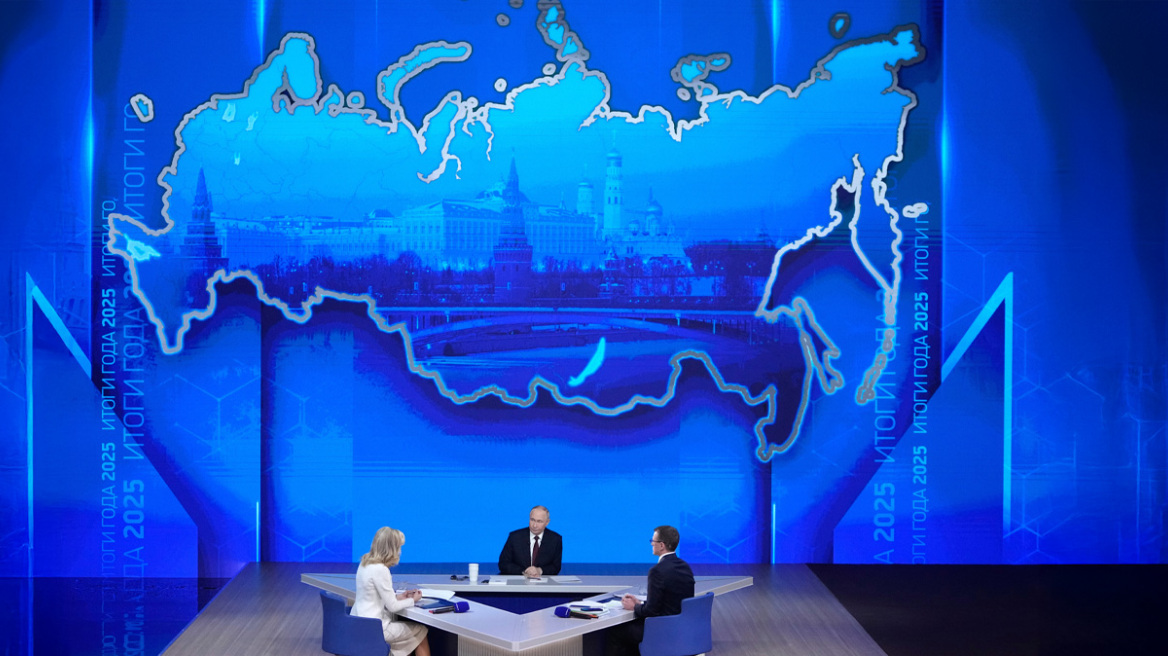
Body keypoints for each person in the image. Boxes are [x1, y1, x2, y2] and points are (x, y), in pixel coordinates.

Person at [606, 525, 695, 656]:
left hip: (661, 631)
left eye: (653, 541)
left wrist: (634, 607)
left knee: (616, 631)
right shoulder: (685, 566)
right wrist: (641, 604)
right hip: (681, 628)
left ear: (662, 545)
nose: (651, 543)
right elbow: (669, 601)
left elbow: (652, 611)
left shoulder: (657, 571)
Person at [352, 527, 431, 656]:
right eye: (399, 547)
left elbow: (374, 596)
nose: (400, 552)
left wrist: (400, 596)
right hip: (375, 629)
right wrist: (413, 600)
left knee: (407, 635)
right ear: (391, 549)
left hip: (358, 624)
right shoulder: (381, 570)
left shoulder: (364, 563)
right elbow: (392, 607)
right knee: (421, 631)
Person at [498, 505, 563, 577]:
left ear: (547, 522)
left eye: (539, 521)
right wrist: (524, 571)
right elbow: (503, 563)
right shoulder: (515, 537)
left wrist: (540, 570)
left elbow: (556, 566)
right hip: (519, 580)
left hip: (543, 581)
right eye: (532, 520)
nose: (534, 525)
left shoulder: (555, 539)